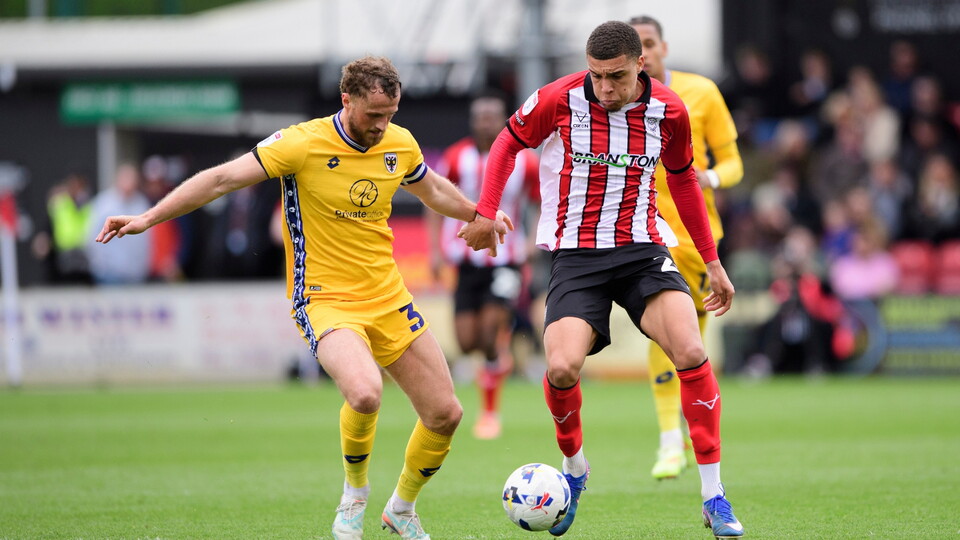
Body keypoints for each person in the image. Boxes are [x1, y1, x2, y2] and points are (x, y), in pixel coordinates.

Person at [96, 56, 512, 540]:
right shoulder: (301, 143)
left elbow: (433, 189)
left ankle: (401, 508)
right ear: (347, 100)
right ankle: (354, 496)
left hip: (388, 296)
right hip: (323, 297)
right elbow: (220, 179)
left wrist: (482, 213)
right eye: (373, 115)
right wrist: (149, 218)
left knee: (447, 414)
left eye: (390, 115)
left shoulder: (399, 142)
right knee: (364, 391)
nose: (382, 126)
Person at [459, 21, 744, 539]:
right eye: (596, 76)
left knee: (691, 351)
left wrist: (713, 261)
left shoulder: (671, 111)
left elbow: (682, 181)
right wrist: (485, 210)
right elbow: (505, 143)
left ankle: (713, 495)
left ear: (642, 65)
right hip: (576, 256)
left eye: (615, 77)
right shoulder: (558, 98)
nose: (604, 88)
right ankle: (575, 470)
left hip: (642, 252)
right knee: (563, 366)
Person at [629, 15, 745, 481]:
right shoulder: (612, 101)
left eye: (650, 44)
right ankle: (668, 440)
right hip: (644, 233)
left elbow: (733, 160)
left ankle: (690, 440)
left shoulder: (700, 93)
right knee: (662, 330)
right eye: (635, 47)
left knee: (688, 341)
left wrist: (709, 178)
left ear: (664, 48)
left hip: (697, 238)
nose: (645, 54)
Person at [426, 92, 540, 440]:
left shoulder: (524, 160)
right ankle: (497, 362)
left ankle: (490, 413)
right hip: (465, 259)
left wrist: (533, 239)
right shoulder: (456, 157)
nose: (486, 123)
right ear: (473, 121)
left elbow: (541, 202)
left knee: (491, 334)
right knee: (466, 341)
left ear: (504, 118)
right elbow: (433, 200)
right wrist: (433, 249)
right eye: (480, 116)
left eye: (493, 116)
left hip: (506, 259)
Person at [87, 162, 153, 285]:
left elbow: (147, 240)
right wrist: (100, 266)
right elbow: (92, 236)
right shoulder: (104, 204)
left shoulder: (141, 203)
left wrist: (144, 267)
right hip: (109, 274)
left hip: (136, 274)